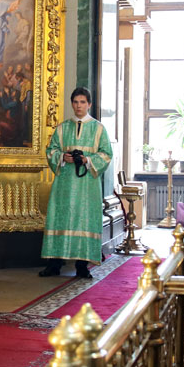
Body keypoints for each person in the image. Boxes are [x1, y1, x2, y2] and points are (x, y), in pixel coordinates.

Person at [39, 87, 113, 278]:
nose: (78, 106)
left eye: (82, 102)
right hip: (64, 184)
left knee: (85, 221)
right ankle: (54, 264)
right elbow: (51, 150)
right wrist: (63, 157)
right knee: (60, 218)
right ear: (72, 104)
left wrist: (87, 160)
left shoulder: (98, 129)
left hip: (87, 185)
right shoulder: (62, 128)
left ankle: (82, 266)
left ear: (89, 104)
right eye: (75, 102)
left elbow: (106, 154)